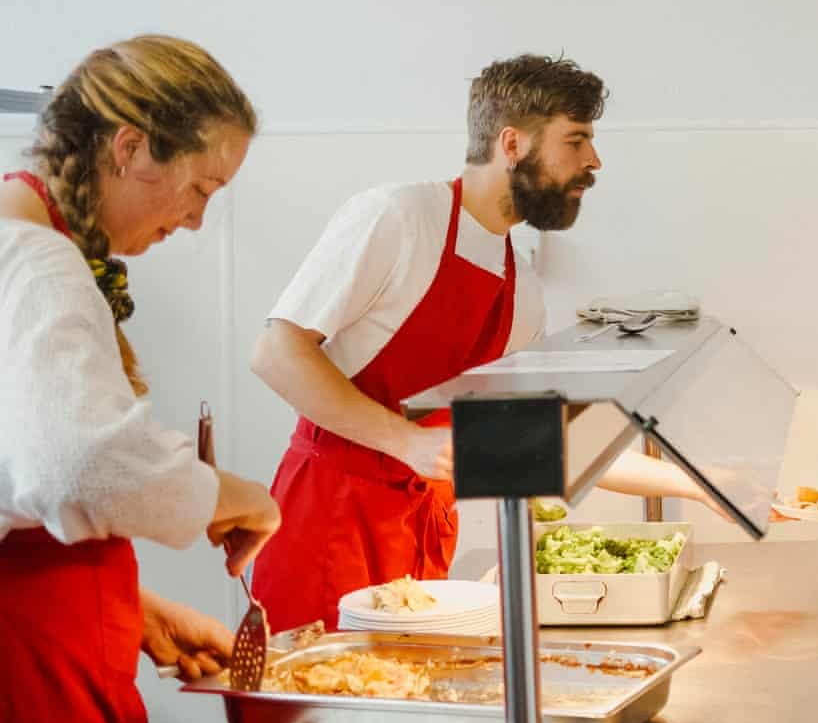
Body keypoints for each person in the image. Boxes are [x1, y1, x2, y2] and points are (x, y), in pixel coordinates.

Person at [249, 54, 722, 636]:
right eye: (576, 141)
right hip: (326, 523)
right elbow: (277, 352)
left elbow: (540, 441)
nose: (593, 162)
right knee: (313, 719)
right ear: (512, 143)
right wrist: (403, 441)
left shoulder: (519, 285)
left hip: (422, 534)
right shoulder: (399, 217)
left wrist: (704, 485)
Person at [0, 36, 283, 723]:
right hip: (28, 658)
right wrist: (235, 496)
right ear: (130, 148)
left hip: (53, 624)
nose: (195, 221)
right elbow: (78, 463)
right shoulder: (36, 260)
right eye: (200, 187)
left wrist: (137, 608)